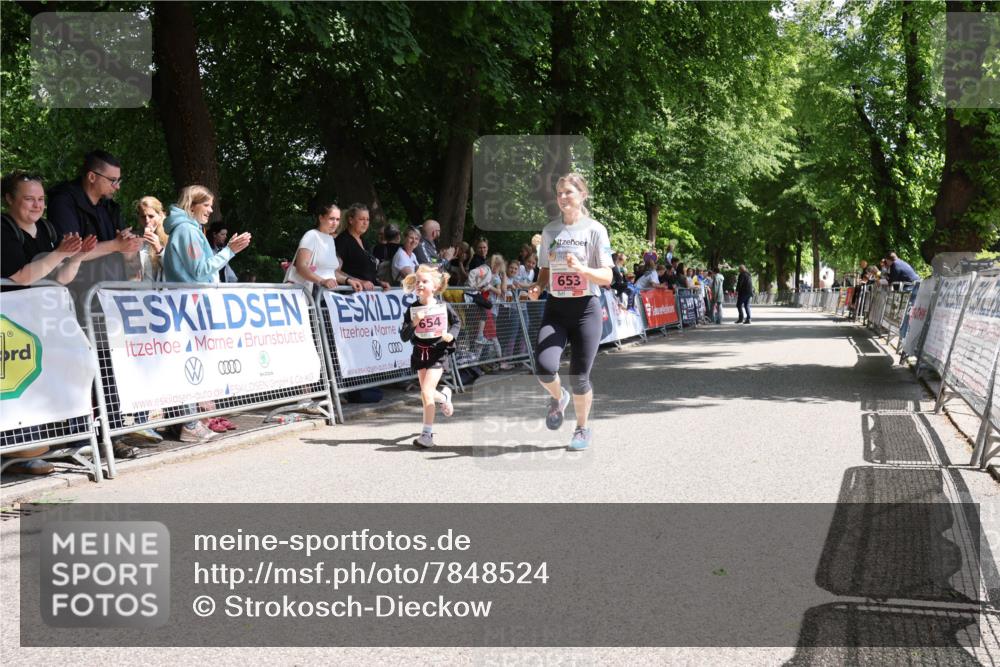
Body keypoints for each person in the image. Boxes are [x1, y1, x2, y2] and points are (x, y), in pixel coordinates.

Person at [527, 173, 613, 451]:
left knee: (580, 376)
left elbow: (607, 276)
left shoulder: (595, 230)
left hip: (586, 309)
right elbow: (545, 272)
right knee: (544, 366)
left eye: (569, 192)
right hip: (556, 308)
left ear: (582, 196)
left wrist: (583, 270)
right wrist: (538, 287)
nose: (563, 197)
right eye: (559, 193)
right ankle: (558, 396)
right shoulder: (550, 230)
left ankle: (581, 428)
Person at [162, 185, 251, 443]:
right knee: (191, 364)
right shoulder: (187, 231)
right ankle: (189, 423)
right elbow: (201, 271)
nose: (211, 211)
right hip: (188, 308)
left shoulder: (188, 230)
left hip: (189, 306)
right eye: (207, 205)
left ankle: (184, 422)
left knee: (190, 363)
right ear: (192, 205)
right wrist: (230, 251)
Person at [47, 150, 143, 309]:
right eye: (112, 180)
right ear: (92, 177)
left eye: (119, 181)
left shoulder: (110, 207)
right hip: (78, 301)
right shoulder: (63, 202)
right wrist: (115, 245)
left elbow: (125, 251)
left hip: (114, 300)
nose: (117, 187)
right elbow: (68, 252)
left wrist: (130, 246)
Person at [399, 264, 460, 448]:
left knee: (425, 392)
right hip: (420, 354)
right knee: (428, 394)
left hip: (438, 353)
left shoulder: (443, 306)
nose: (420, 285)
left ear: (435, 286)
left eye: (424, 281)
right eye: (417, 282)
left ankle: (427, 434)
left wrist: (451, 336)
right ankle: (443, 396)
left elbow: (456, 322)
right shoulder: (412, 309)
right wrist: (414, 322)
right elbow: (404, 336)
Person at [1, 171, 96, 286]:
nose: (37, 205)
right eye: (29, 199)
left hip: (44, 302)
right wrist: (59, 253)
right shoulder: (4, 229)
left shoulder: (47, 228)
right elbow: (22, 277)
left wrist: (77, 257)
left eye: (41, 199)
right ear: (10, 199)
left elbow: (60, 278)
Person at [284, 202, 362, 293]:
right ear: (321, 218)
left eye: (337, 219)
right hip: (310, 294)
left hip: (326, 295)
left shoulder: (330, 240)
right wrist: (322, 281)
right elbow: (301, 266)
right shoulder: (311, 235)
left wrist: (348, 280)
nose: (335, 223)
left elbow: (330, 272)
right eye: (331, 219)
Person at [334, 203, 387, 290]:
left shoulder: (364, 241)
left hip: (368, 295)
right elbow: (335, 271)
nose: (365, 223)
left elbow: (366, 273)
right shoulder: (343, 241)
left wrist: (379, 283)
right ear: (351, 220)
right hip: (351, 294)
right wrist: (358, 281)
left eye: (367, 219)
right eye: (361, 219)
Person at [134, 196, 168, 282]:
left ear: (160, 215)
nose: (147, 220)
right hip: (141, 293)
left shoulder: (170, 237)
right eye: (143, 216)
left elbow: (175, 270)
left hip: (162, 293)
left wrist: (159, 249)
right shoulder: (136, 237)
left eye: (151, 216)